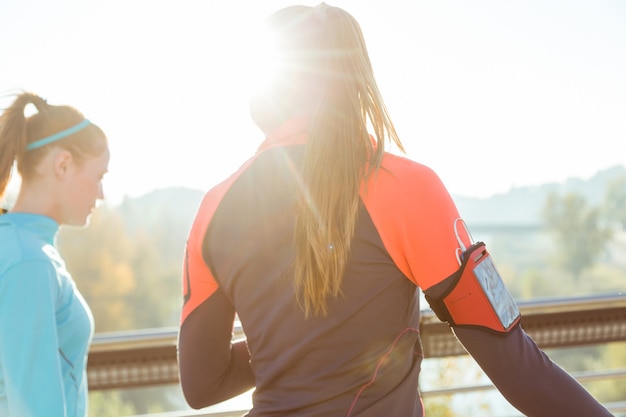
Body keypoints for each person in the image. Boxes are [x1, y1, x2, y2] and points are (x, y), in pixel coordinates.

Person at [177, 4, 613, 416]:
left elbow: (202, 384)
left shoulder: (214, 209)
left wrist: (289, 348)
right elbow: (519, 368)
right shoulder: (405, 186)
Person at [0, 92, 109, 417]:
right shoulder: (29, 262)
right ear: (62, 165)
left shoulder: (21, 246)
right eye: (99, 175)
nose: (101, 193)